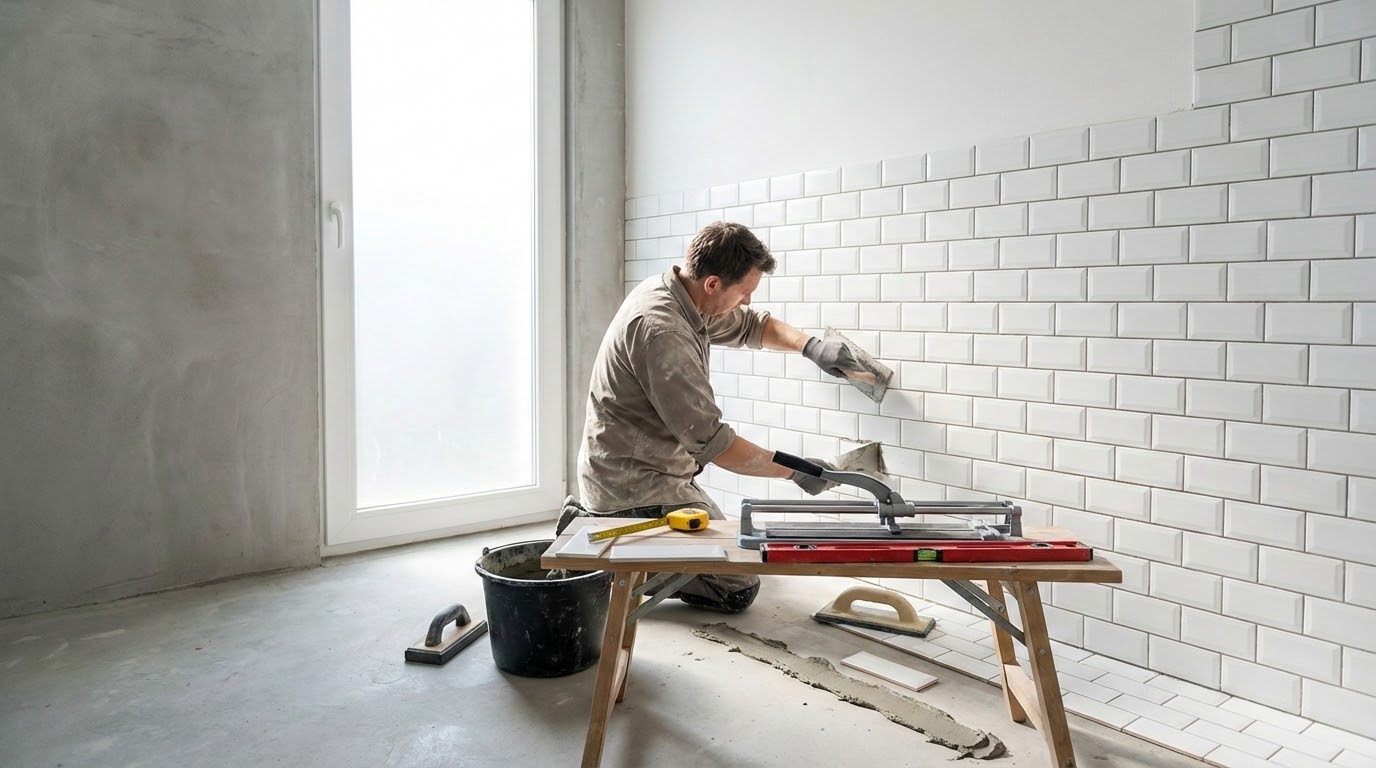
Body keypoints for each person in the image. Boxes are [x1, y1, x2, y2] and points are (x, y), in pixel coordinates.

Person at [559, 221, 875, 612]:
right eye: (744, 291)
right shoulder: (663, 332)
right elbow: (716, 444)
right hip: (632, 487)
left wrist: (811, 347)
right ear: (712, 283)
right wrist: (796, 470)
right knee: (737, 586)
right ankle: (607, 554)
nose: (745, 301)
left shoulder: (681, 293)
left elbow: (752, 325)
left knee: (731, 551)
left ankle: (616, 541)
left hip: (655, 470)